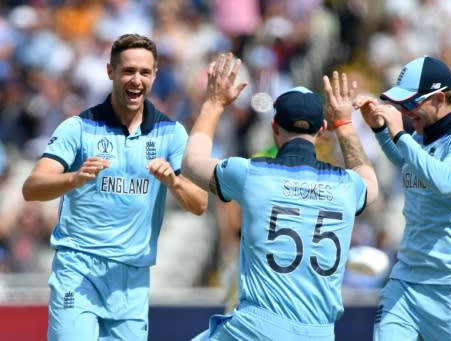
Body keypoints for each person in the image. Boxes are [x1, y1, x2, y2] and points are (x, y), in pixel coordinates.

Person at [21, 33, 208, 341]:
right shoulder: (78, 127)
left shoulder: (171, 134)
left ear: (155, 75)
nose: (136, 80)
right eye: (128, 71)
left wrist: (173, 181)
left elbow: (199, 203)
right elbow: (32, 187)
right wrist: (74, 178)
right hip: (79, 271)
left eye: (145, 72)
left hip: (132, 280)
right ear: (111, 72)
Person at [182, 52, 378, 340]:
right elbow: (369, 180)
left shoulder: (250, 174)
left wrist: (213, 103)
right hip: (320, 333)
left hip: (255, 330)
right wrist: (345, 124)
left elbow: (191, 162)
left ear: (275, 128)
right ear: (322, 130)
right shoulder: (348, 186)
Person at [355, 55, 451, 340]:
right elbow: (409, 164)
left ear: (439, 98)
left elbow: (445, 181)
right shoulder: (421, 139)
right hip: (406, 281)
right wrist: (380, 129)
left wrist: (399, 135)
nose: (406, 113)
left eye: (411, 103)